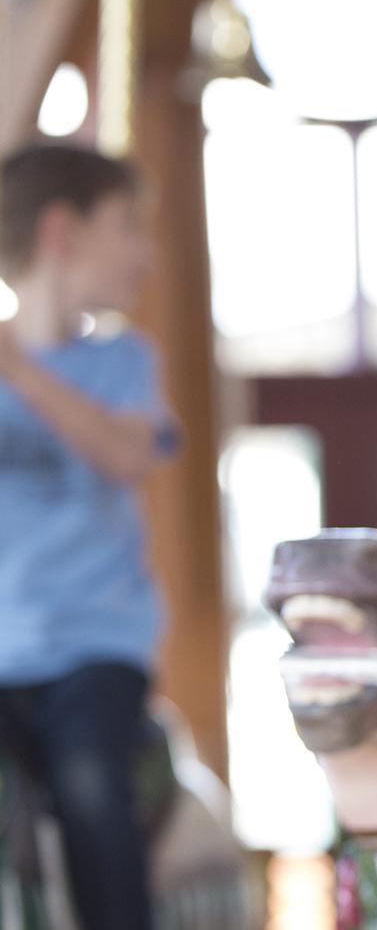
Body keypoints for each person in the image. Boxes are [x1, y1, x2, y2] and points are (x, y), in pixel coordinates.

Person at [0, 143, 173, 930]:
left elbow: (128, 453)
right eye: (129, 227)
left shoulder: (124, 360)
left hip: (93, 648)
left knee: (89, 780)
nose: (145, 250)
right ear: (63, 231)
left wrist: (25, 375)